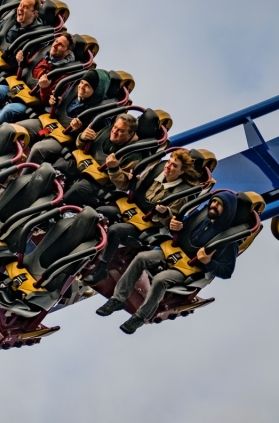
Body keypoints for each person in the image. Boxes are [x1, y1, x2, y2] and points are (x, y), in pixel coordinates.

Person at [97, 191, 240, 334]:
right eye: (214, 202)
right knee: (141, 258)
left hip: (189, 267)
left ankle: (141, 316)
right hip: (173, 251)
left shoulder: (228, 240)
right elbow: (181, 226)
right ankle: (118, 299)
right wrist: (175, 224)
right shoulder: (200, 216)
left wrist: (208, 262)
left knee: (161, 280)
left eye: (219, 204)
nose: (214, 205)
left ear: (227, 211)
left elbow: (227, 271)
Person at [84, 149, 203, 284]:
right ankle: (83, 247)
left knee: (115, 230)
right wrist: (133, 179)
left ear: (182, 172)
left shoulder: (182, 194)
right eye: (169, 162)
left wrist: (164, 212)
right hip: (131, 209)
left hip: (146, 226)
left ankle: (102, 270)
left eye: (174, 166)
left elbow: (170, 222)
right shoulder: (157, 170)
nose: (168, 166)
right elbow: (134, 187)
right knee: (100, 211)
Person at [25, 70, 109, 169]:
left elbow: (91, 142)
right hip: (52, 126)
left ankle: (23, 178)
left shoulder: (100, 113)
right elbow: (58, 103)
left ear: (96, 91)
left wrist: (80, 130)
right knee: (17, 128)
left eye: (87, 86)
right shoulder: (73, 89)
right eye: (82, 82)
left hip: (66, 139)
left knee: (38, 149)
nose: (81, 87)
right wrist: (56, 102)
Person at [0, 31, 75, 125]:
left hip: (31, 103)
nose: (55, 45)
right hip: (19, 88)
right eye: (56, 41)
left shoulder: (64, 75)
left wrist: (44, 88)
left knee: (9, 110)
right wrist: (21, 60)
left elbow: (48, 103)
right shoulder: (43, 51)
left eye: (61, 45)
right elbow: (27, 66)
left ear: (68, 52)